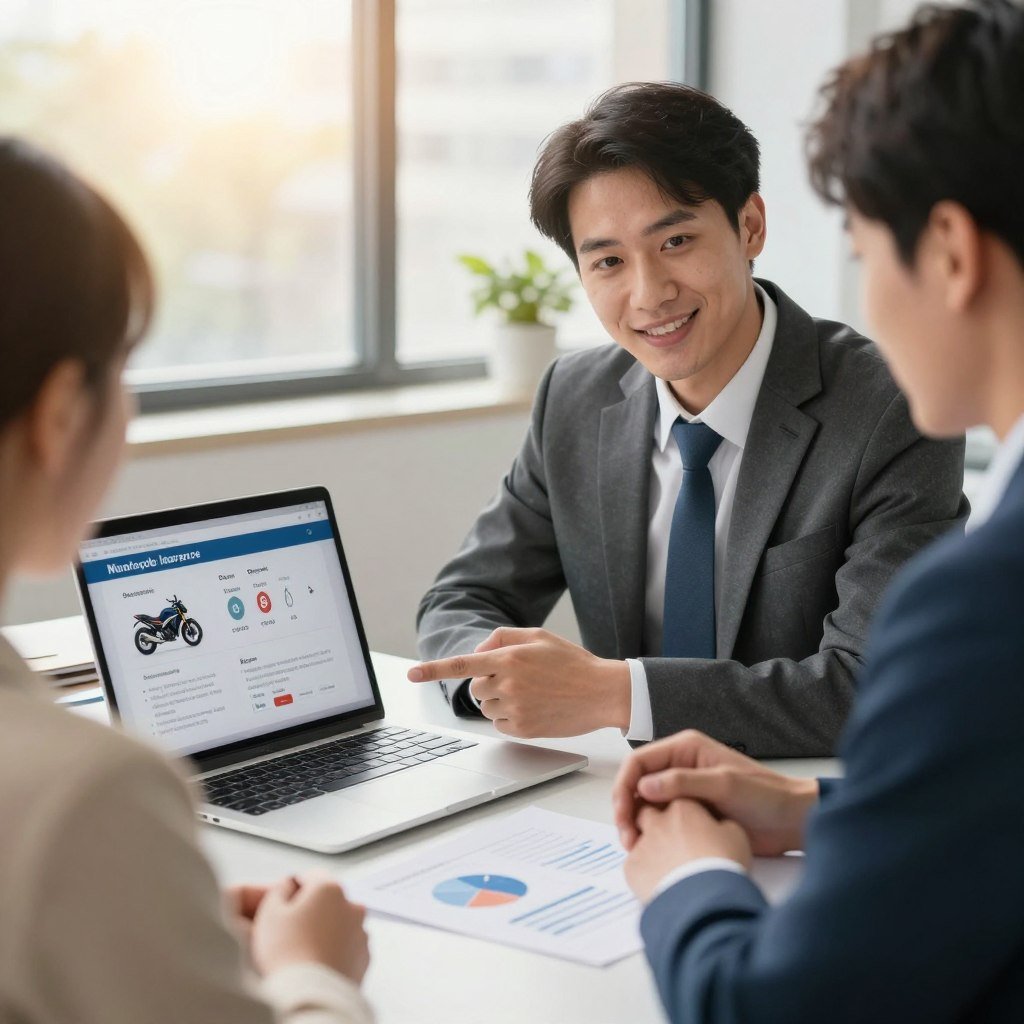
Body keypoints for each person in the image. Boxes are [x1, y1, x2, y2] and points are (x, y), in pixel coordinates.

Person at [612, 1, 1024, 1020]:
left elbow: (770, 1009)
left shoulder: (983, 601)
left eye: (860, 248)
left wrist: (686, 874)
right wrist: (806, 804)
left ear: (949, 252)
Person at [410, 81, 967, 756]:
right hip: (614, 802)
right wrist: (493, 680)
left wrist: (611, 694)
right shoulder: (574, 399)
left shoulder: (892, 405)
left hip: (798, 807)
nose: (649, 293)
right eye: (608, 261)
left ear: (750, 225)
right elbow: (463, 598)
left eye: (675, 240)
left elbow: (869, 685)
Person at [0, 138, 373, 1023]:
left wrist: (151, 926)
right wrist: (311, 972)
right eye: (122, 370)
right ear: (60, 412)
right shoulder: (86, 793)